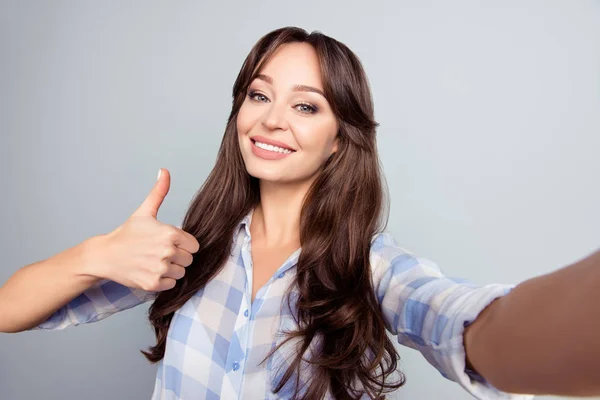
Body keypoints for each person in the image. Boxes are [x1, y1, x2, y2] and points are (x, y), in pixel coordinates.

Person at [0, 26, 598, 400]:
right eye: (259, 96)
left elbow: (466, 323)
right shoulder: (188, 249)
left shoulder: (370, 269)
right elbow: (8, 311)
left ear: (340, 138)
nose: (271, 120)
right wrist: (96, 255)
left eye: (306, 106)